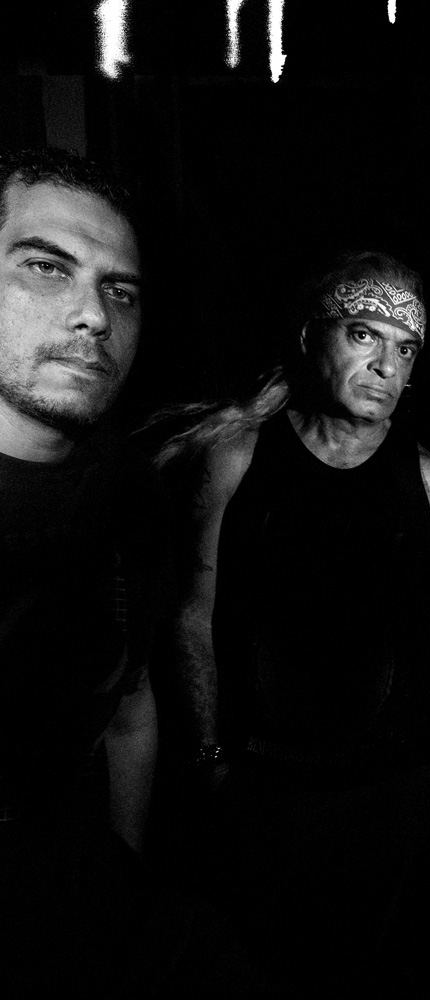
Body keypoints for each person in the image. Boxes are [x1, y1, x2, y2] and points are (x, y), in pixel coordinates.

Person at [157, 250, 430, 992]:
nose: (386, 366)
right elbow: (192, 612)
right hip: (264, 781)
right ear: (313, 338)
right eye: (364, 335)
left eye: (406, 349)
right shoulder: (237, 458)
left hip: (394, 784)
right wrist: (208, 754)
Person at [0, 147, 252, 992]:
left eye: (121, 291)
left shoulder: (130, 493)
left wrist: (121, 883)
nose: (93, 316)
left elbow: (129, 703)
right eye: (45, 267)